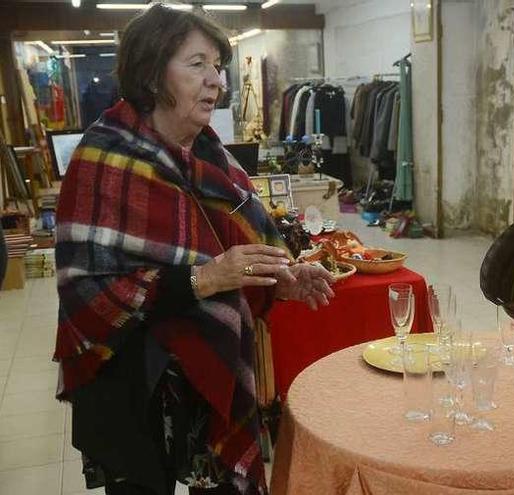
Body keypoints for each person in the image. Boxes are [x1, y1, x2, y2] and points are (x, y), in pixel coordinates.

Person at [53, 5, 335, 495]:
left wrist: (279, 280)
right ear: (151, 72)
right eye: (197, 64)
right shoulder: (104, 158)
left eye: (218, 66)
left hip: (208, 371)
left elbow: (240, 248)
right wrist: (205, 279)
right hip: (132, 379)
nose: (216, 81)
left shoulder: (210, 154)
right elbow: (87, 291)